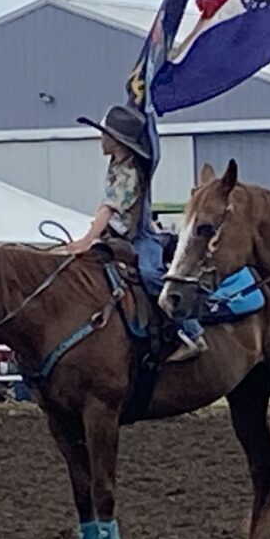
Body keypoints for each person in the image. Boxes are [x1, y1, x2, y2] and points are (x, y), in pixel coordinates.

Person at [70, 104, 205, 360]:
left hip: (139, 238)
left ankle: (192, 333)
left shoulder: (129, 172)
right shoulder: (118, 167)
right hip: (119, 236)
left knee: (151, 275)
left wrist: (87, 241)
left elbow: (109, 209)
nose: (101, 139)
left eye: (104, 135)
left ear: (116, 141)